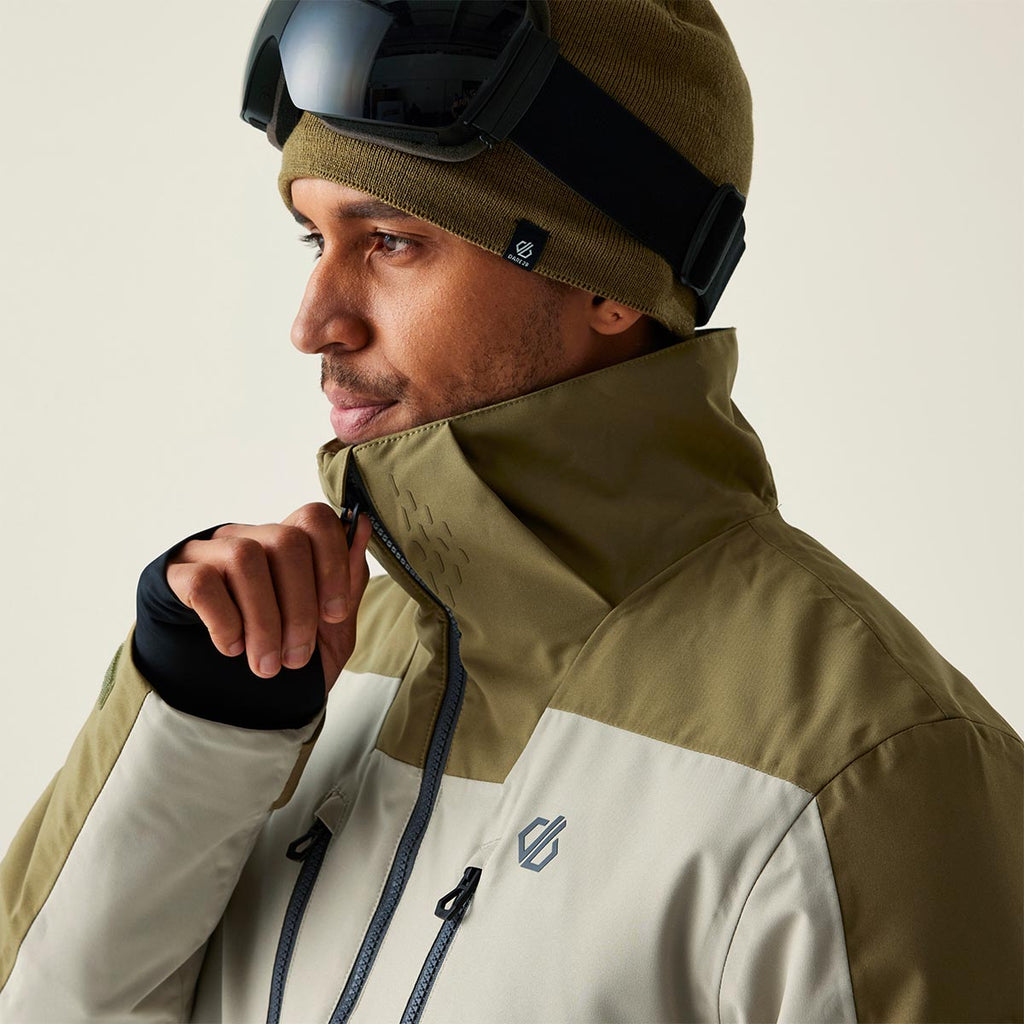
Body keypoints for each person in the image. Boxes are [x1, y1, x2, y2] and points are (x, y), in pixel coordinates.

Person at [1, 1, 1021, 1022]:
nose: (312, 321)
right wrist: (196, 729)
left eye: (390, 240)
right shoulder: (314, 664)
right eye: (314, 238)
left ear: (610, 281)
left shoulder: (869, 770)